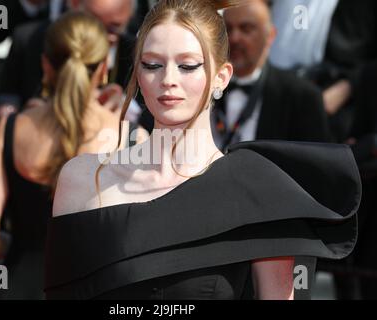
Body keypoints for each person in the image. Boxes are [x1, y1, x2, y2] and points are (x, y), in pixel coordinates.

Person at [46, 0, 359, 300]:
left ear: (221, 77)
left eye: (187, 66)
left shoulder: (259, 194)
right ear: (138, 75)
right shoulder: (84, 179)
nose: (168, 80)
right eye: (152, 64)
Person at [0, 11, 147, 299]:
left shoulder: (9, 130)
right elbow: (139, 243)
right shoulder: (131, 139)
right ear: (103, 67)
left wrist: (22, 249)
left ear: (45, 65)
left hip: (19, 286)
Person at [211, 0, 330, 151]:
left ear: (270, 35)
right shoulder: (204, 86)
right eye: (227, 29)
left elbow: (316, 165)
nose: (234, 38)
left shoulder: (303, 96)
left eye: (246, 29)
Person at [0, 0, 137, 118]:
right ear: (74, 4)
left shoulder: (136, 52)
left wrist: (127, 108)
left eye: (114, 28)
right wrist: (22, 118)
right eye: (93, 23)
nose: (101, 35)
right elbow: (7, 99)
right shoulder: (31, 40)